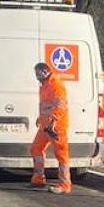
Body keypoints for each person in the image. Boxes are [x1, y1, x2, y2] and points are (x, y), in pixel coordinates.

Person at [29, 62, 71, 195]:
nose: (36, 76)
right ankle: (38, 178)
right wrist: (40, 118)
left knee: (61, 154)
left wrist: (54, 120)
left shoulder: (56, 84)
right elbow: (46, 105)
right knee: (36, 148)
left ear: (44, 71)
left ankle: (65, 184)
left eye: (37, 73)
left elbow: (60, 105)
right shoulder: (45, 85)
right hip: (45, 124)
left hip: (56, 126)